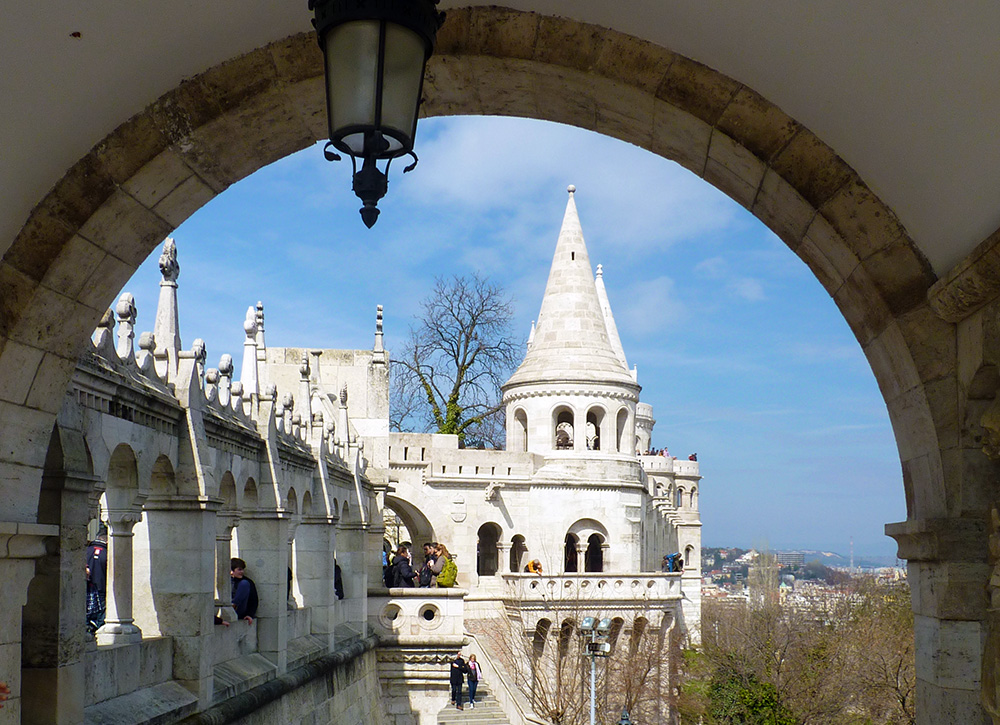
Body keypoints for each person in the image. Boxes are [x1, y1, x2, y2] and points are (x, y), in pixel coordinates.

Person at [85, 524, 109, 634]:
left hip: (86, 588)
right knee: (101, 616)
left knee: (85, 613)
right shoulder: (108, 553)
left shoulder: (86, 551)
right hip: (102, 588)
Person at [231, 557, 259, 623]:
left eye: (243, 569)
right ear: (232, 571)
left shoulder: (247, 582)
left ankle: (232, 607)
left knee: (244, 583)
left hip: (239, 609)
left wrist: (250, 615)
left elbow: (254, 600)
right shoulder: (226, 581)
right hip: (225, 609)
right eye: (239, 570)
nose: (242, 572)